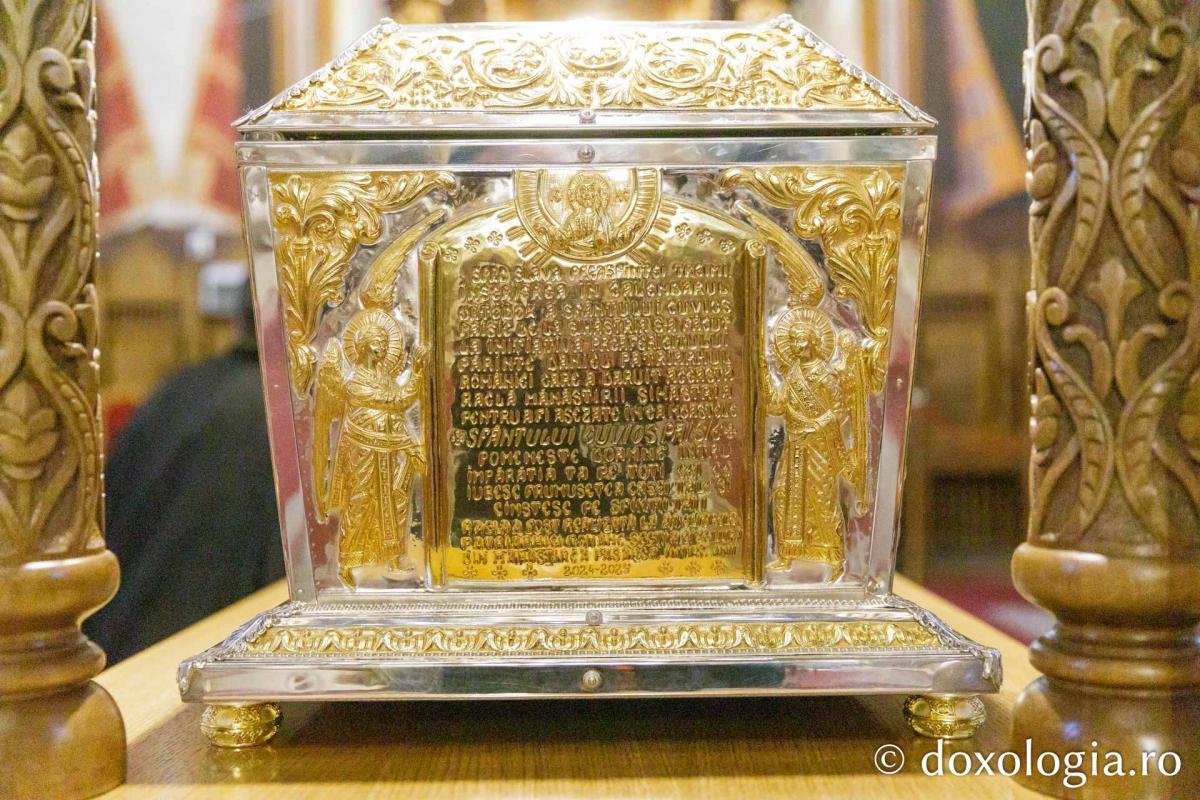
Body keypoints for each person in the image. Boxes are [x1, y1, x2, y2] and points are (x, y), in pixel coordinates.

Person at [85, 280, 282, 664]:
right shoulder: (285, 415)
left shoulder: (178, 386)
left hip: (108, 653)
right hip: (196, 671)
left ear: (237, 322)